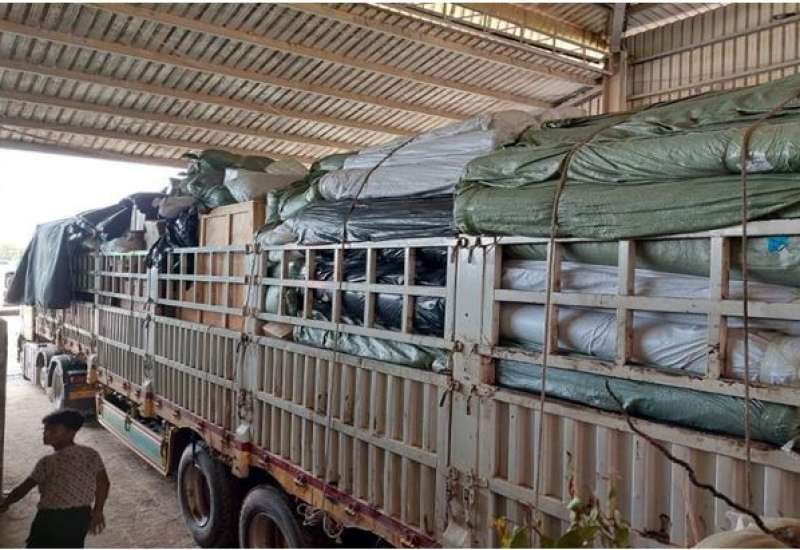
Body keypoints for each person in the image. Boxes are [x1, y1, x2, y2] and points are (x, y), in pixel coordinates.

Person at [0, 409, 110, 548]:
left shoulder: (47, 462)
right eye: (45, 430)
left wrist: (6, 503)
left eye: (53, 430)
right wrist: (98, 511)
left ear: (71, 433)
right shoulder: (91, 454)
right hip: (81, 517)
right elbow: (104, 483)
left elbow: (23, 489)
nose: (46, 434)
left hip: (50, 518)